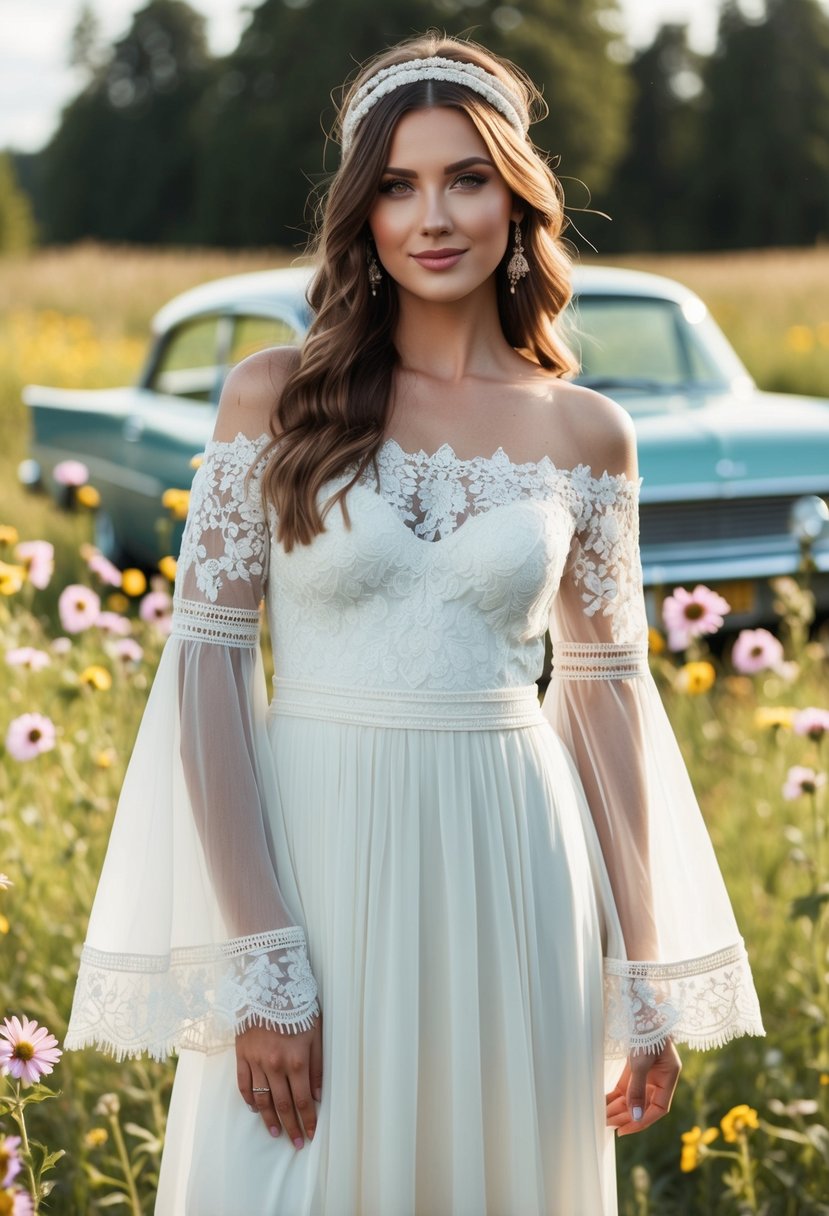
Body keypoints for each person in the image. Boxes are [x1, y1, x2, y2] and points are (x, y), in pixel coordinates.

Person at [64, 31, 765, 1215]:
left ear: (515, 200)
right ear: (361, 213)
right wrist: (261, 958)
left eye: (465, 178)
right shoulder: (275, 397)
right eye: (396, 184)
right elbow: (207, 678)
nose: (431, 215)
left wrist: (641, 970)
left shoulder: (587, 432)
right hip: (318, 860)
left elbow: (606, 701)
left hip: (517, 868)